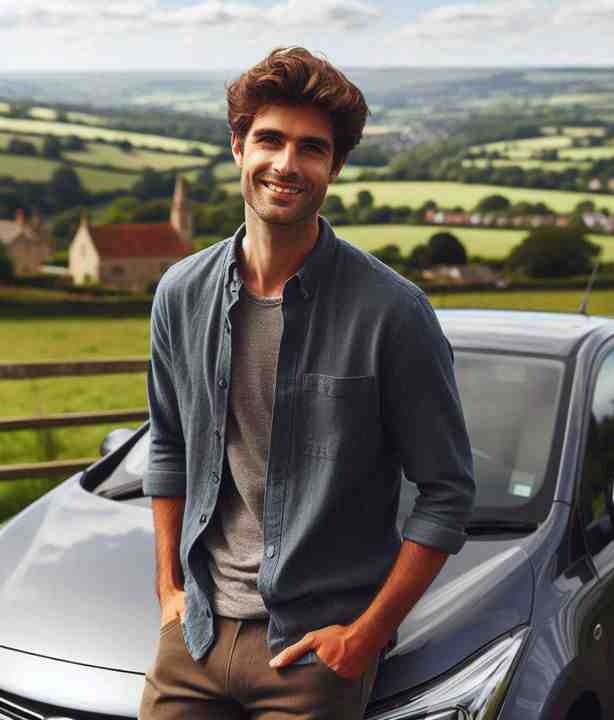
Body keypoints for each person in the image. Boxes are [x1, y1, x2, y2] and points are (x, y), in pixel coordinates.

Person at [139, 46, 475, 720]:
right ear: (238, 146)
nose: (286, 165)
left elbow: (446, 493)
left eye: (311, 149)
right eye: (269, 140)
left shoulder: (393, 312)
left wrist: (366, 636)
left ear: (335, 165)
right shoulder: (180, 293)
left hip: (314, 652)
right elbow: (169, 446)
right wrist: (169, 590)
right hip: (196, 636)